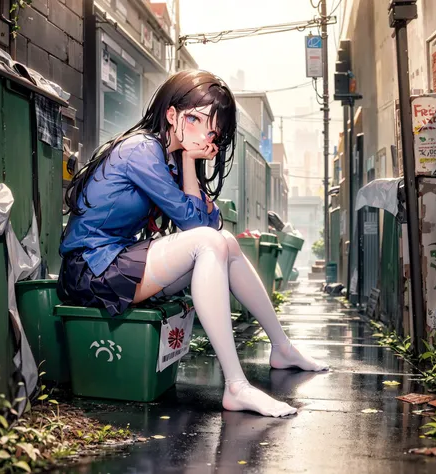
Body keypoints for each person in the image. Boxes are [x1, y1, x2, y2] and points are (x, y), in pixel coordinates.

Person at [58, 70, 328, 418]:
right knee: (209, 242)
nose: (203, 134)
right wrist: (189, 162)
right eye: (194, 119)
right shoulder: (141, 150)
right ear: (171, 115)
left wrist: (187, 160)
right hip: (89, 269)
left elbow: (207, 224)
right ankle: (236, 386)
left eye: (211, 130)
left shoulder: (169, 157)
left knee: (225, 242)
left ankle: (282, 347)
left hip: (117, 263)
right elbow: (196, 225)